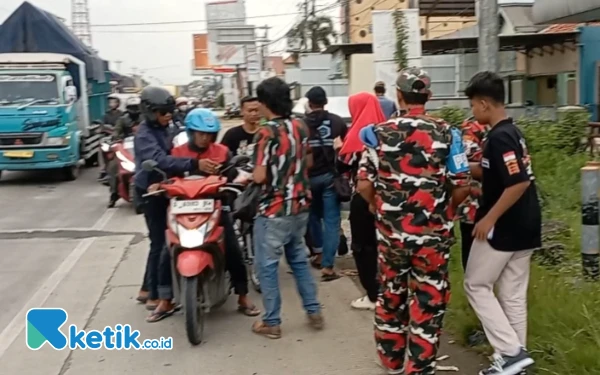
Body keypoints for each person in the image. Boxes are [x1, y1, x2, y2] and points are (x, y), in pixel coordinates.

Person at [356, 67, 470, 375]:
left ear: (399, 95)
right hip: (433, 238)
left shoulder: (377, 133)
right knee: (429, 298)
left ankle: (392, 360)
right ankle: (418, 367)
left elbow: (364, 185)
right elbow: (462, 184)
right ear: (429, 97)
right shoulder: (449, 133)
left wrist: (377, 207)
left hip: (391, 236)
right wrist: (445, 212)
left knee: (391, 293)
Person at [463, 71, 540, 375]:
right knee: (511, 295)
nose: (472, 111)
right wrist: (463, 167)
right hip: (527, 225)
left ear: (484, 103)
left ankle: (509, 352)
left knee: (476, 285)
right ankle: (516, 362)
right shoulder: (512, 132)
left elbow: (517, 182)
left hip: (505, 227)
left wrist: (489, 218)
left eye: (472, 104)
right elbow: (495, 171)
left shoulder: (499, 137)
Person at [167, 108, 260, 317]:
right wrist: (158, 187)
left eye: (209, 134)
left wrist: (241, 180)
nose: (204, 138)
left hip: (215, 207)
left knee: (233, 248)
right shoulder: (178, 153)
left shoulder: (221, 151)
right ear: (191, 132)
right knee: (168, 248)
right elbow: (167, 176)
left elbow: (233, 173)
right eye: (200, 133)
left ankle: (243, 296)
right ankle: (165, 299)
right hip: (183, 210)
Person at [251, 77, 322, 339]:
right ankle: (313, 310)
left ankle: (272, 321)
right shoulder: (300, 126)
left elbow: (259, 177)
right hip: (300, 206)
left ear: (264, 102)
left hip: (273, 208)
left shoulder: (265, 132)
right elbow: (309, 161)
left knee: (267, 266)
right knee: (299, 260)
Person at [133, 86, 210, 322]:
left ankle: (147, 287)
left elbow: (179, 149)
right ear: (149, 111)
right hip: (151, 191)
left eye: (169, 111)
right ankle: (155, 294)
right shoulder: (144, 134)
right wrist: (194, 165)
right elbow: (160, 160)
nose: (168, 116)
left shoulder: (168, 128)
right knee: (160, 242)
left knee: (162, 240)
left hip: (169, 189)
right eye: (162, 112)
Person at [337, 92, 386, 311]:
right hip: (387, 198)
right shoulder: (386, 130)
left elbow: (343, 163)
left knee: (362, 246)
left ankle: (372, 295)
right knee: (382, 245)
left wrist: (338, 147)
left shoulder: (359, 134)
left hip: (364, 196)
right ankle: (387, 291)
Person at [303, 86, 347, 281]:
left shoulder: (301, 125)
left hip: (308, 178)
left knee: (312, 216)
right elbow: (345, 149)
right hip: (331, 177)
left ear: (309, 103)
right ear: (325, 102)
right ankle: (328, 266)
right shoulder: (337, 122)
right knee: (331, 221)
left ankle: (319, 253)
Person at [457, 116, 490, 271]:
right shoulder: (473, 125)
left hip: (494, 203)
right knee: (472, 256)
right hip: (473, 203)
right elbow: (466, 152)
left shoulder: (503, 127)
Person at [107, 96, 143, 208]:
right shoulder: (122, 119)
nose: (134, 109)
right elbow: (116, 131)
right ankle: (113, 194)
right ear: (127, 108)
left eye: (136, 107)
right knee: (113, 167)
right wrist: (116, 138)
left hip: (142, 147)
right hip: (126, 147)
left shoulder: (145, 119)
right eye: (131, 107)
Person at [98, 95, 124, 181]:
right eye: (110, 102)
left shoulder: (122, 115)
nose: (111, 104)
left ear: (118, 103)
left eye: (114, 102)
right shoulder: (106, 115)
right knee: (101, 149)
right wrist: (103, 129)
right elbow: (102, 125)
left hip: (119, 138)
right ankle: (103, 170)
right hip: (108, 138)